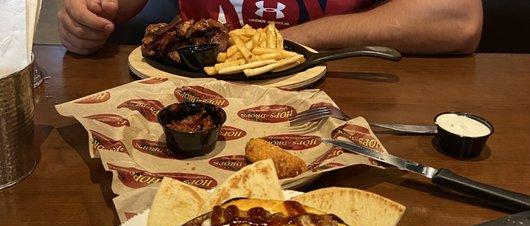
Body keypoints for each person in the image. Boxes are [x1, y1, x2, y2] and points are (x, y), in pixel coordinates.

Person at [58, 0, 483, 56]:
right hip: (193, 88)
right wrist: (93, 13)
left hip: (338, 93)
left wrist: (284, 42)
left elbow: (459, 17)